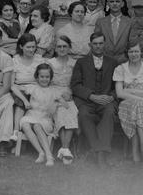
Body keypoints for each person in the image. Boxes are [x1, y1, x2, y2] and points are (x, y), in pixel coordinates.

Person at [71, 32, 119, 167]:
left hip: (106, 101)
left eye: (101, 43)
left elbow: (119, 86)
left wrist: (111, 96)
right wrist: (92, 96)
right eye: (95, 44)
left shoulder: (113, 62)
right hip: (87, 101)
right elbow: (75, 85)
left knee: (109, 113)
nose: (98, 46)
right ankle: (100, 153)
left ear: (105, 44)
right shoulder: (81, 62)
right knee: (84, 115)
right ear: (90, 45)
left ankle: (99, 153)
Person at [113, 41, 143, 163]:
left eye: (136, 51)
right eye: (130, 51)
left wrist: (129, 90)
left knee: (137, 109)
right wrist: (141, 98)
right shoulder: (120, 69)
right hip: (127, 104)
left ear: (141, 53)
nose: (133, 54)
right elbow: (119, 94)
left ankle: (136, 150)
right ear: (127, 53)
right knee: (136, 107)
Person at [14, 63, 69, 166]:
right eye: (42, 77)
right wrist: (25, 100)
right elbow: (13, 87)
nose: (44, 79)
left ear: (51, 78)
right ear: (37, 77)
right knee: (25, 123)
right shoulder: (32, 88)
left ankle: (49, 156)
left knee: (37, 126)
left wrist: (56, 104)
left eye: (47, 77)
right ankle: (41, 152)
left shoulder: (53, 91)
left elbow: (66, 105)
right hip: (32, 114)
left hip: (45, 119)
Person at [9, 33, 46, 156]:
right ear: (21, 46)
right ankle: (15, 132)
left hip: (36, 89)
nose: (31, 50)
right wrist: (24, 100)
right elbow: (12, 85)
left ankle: (23, 140)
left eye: (33, 47)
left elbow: (45, 78)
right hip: (19, 90)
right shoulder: (15, 60)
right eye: (28, 47)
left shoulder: (39, 59)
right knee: (21, 102)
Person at [47, 36, 79, 164]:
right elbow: (46, 83)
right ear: (55, 48)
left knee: (71, 110)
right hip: (53, 95)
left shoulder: (74, 63)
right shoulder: (50, 63)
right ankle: (66, 149)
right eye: (59, 46)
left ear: (69, 47)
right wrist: (58, 96)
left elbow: (77, 82)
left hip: (70, 95)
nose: (62, 49)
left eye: (65, 46)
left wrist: (70, 94)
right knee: (60, 111)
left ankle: (64, 149)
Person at [94, 0, 135, 64]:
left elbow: (132, 43)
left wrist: (123, 58)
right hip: (104, 62)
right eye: (112, 1)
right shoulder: (100, 22)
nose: (115, 4)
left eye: (117, 1)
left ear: (122, 4)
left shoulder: (130, 22)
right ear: (108, 4)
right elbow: (97, 43)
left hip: (124, 62)